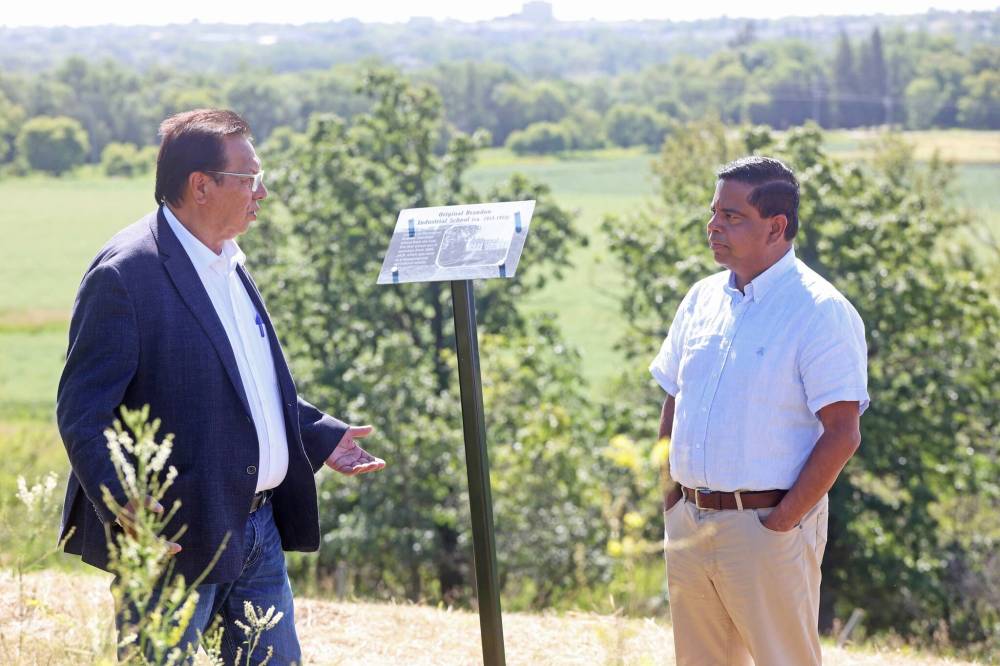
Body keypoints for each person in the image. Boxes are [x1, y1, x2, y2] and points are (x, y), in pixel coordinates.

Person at [56, 108, 385, 663]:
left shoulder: (226, 259)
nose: (261, 192)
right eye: (248, 178)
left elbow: (244, 383)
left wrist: (323, 436)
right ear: (201, 186)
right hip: (174, 543)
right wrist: (122, 506)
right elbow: (81, 413)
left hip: (258, 531)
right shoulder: (124, 275)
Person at [649, 156, 869, 665]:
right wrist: (671, 500)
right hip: (689, 523)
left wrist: (780, 524)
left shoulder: (821, 311)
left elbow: (843, 433)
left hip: (766, 528)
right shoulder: (701, 298)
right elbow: (673, 399)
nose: (713, 226)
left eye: (732, 216)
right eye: (714, 212)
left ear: (777, 227)